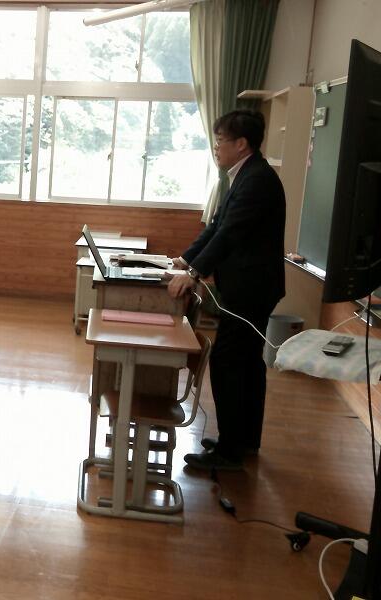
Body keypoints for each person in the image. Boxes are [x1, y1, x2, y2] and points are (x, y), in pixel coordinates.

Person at [167, 109, 285, 471]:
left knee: (229, 362)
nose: (216, 147)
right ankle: (243, 440)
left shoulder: (257, 180)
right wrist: (186, 260)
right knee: (247, 362)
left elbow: (229, 234)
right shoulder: (246, 175)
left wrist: (195, 272)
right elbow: (217, 226)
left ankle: (230, 452)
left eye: (220, 140)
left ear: (241, 144)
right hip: (250, 287)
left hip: (250, 289)